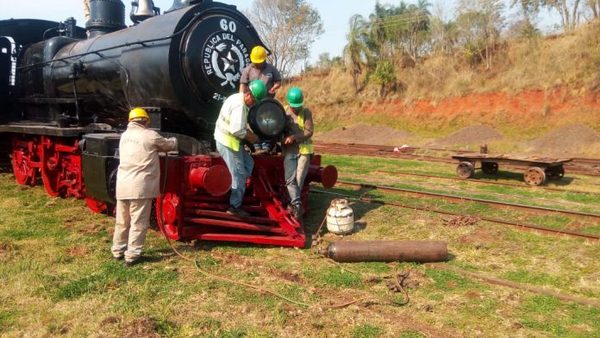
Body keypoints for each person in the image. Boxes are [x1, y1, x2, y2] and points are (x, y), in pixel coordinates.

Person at [111, 107, 178, 266]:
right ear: (146, 121)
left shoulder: (124, 136)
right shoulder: (150, 135)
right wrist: (175, 140)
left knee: (122, 221)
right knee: (138, 222)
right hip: (140, 187)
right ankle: (132, 255)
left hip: (123, 185)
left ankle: (117, 250)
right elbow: (169, 145)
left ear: (130, 121)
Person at [214, 80, 267, 217]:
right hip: (228, 142)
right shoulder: (239, 106)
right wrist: (252, 137)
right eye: (254, 100)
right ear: (249, 94)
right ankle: (234, 207)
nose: (254, 103)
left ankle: (240, 189)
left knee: (249, 163)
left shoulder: (237, 97)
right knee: (238, 174)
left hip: (231, 141)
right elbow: (236, 130)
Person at [282, 87, 314, 219]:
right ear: (288, 103)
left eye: (297, 106)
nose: (295, 109)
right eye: (293, 106)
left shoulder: (306, 112)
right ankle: (296, 206)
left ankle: (294, 206)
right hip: (289, 150)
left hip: (304, 151)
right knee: (290, 179)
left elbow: (309, 131)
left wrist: (294, 137)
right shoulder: (284, 111)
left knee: (298, 180)